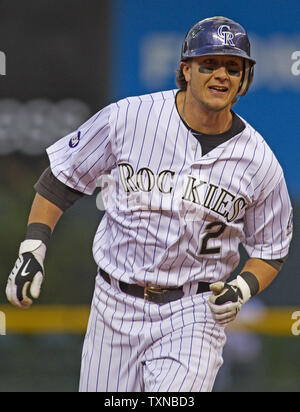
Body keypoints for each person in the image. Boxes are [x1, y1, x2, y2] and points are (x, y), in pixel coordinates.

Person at [6, 16, 293, 392]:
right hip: (115, 302)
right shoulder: (130, 117)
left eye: (233, 67)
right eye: (209, 63)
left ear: (244, 80)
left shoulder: (260, 162)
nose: (221, 75)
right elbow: (61, 178)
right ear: (185, 70)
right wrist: (33, 247)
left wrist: (243, 286)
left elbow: (271, 250)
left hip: (194, 310)